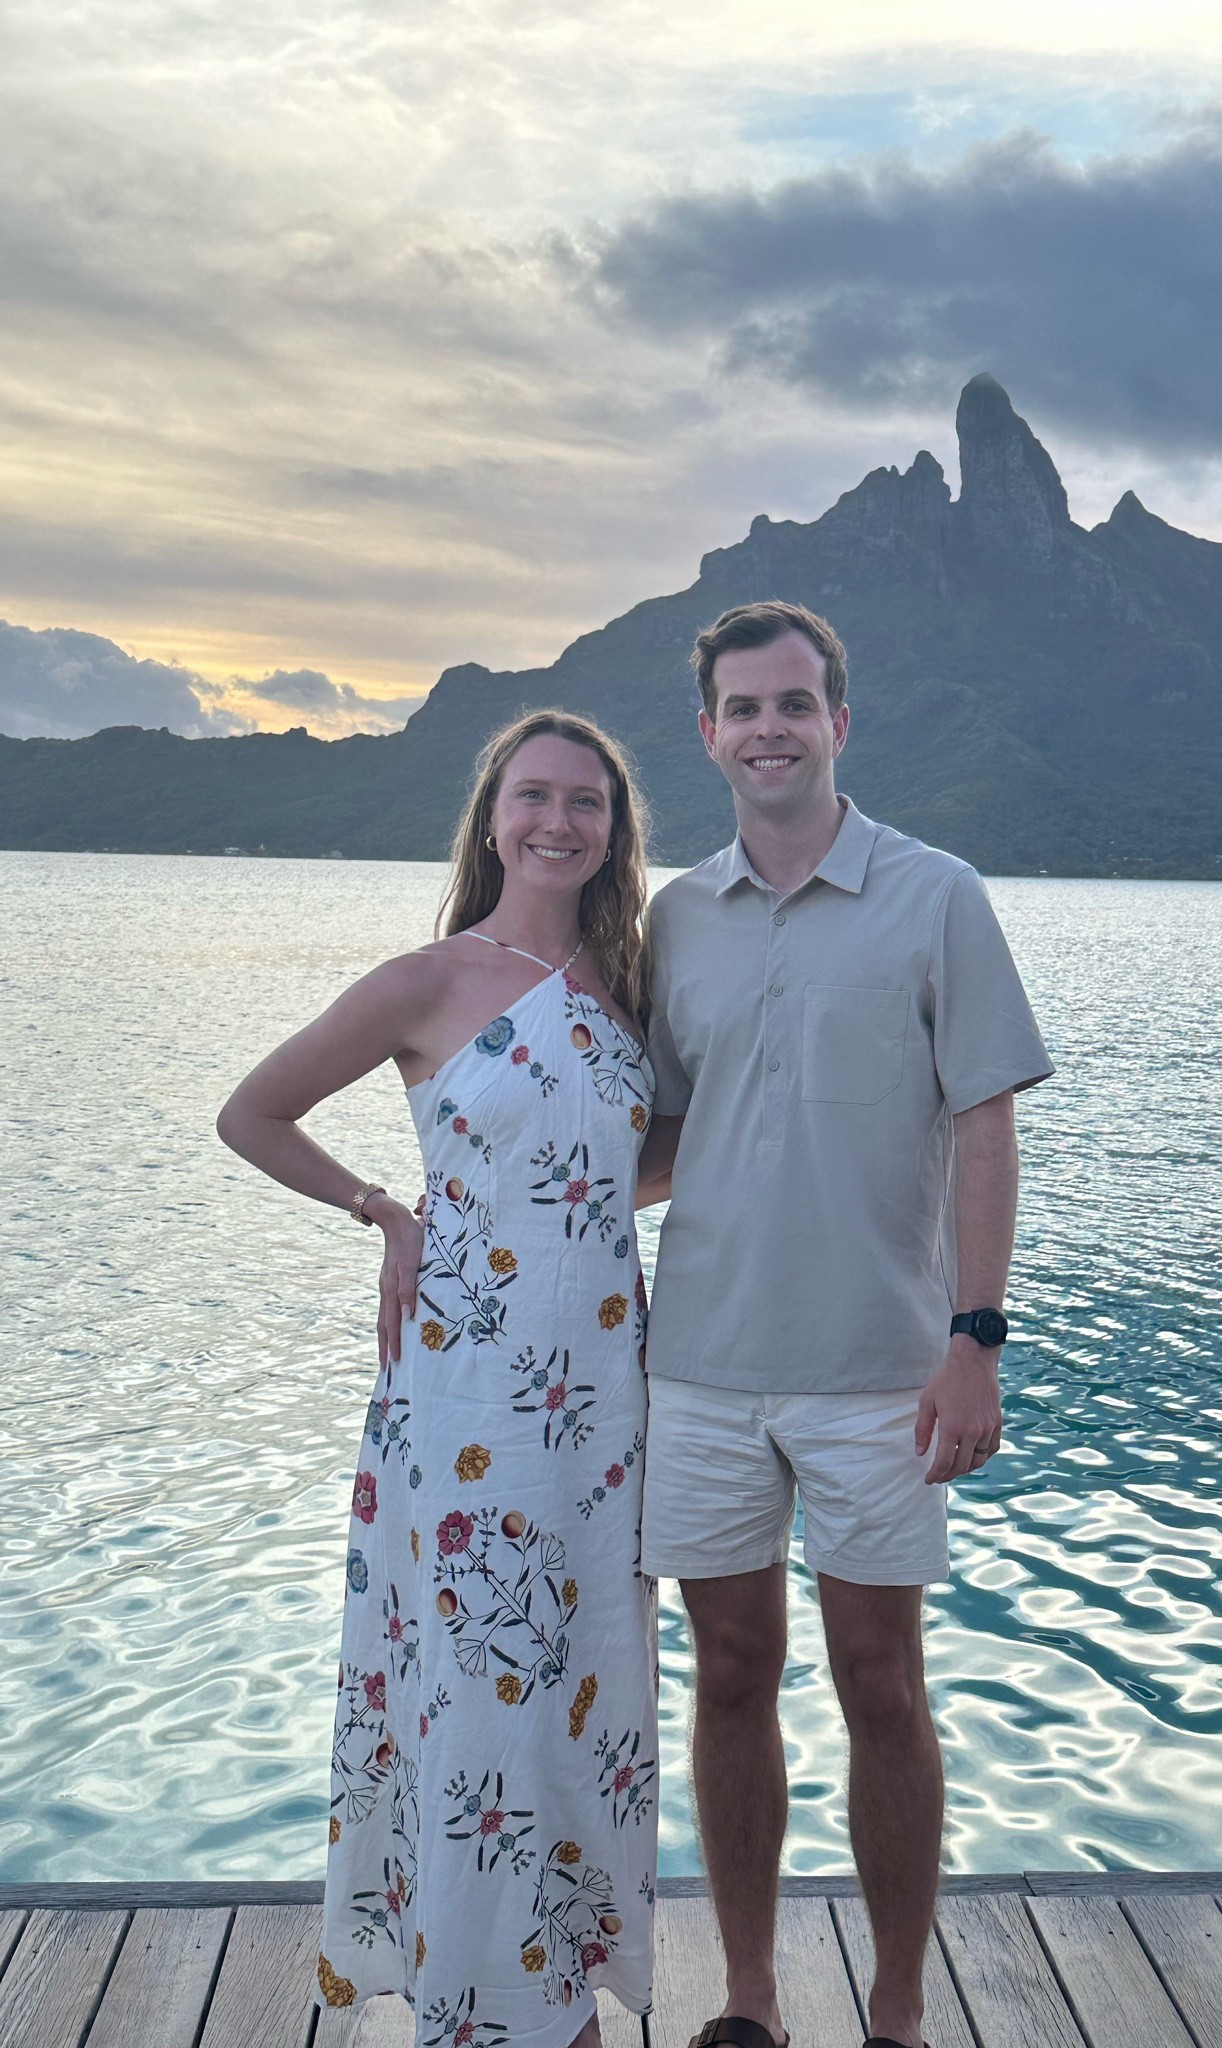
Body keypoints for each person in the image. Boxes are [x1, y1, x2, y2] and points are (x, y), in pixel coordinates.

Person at [638, 601, 1054, 2048]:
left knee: (883, 1681)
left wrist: (976, 1336)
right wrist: (484, 1212)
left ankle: (894, 2008)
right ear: (707, 735)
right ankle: (748, 1998)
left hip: (883, 1372)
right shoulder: (676, 915)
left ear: (838, 724)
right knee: (731, 1675)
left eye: (794, 704)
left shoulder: (937, 895)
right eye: (741, 708)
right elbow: (662, 1137)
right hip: (695, 1370)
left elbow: (988, 1130)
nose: (769, 728)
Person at [218, 710, 663, 2048]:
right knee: (475, 1688)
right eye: (534, 795)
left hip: (602, 1391)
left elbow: (632, 1162)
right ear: (491, 816)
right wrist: (386, 1214)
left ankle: (556, 1986)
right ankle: (481, 2006)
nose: (559, 820)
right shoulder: (428, 980)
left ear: (613, 830)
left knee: (586, 1679)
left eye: (587, 801)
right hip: (465, 1386)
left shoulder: (631, 981)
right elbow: (253, 1112)